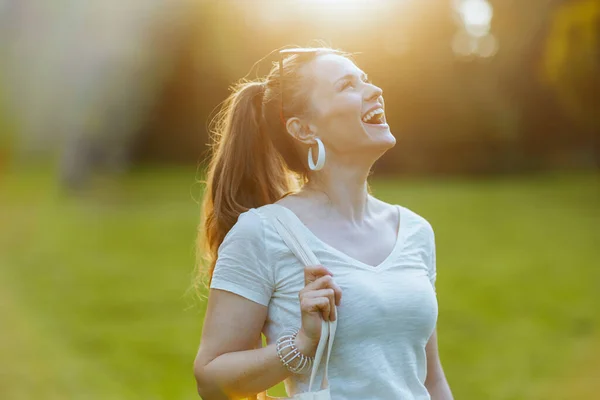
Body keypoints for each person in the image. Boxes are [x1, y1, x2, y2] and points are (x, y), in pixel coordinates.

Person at [193, 46, 453, 399]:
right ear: (303, 128)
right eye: (348, 85)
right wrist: (302, 344)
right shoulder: (264, 233)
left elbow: (430, 379)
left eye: (366, 80)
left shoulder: (414, 231)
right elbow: (211, 380)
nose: (374, 90)